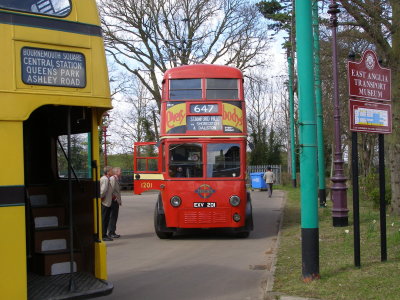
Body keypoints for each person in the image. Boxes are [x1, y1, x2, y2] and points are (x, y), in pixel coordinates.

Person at [100, 166, 113, 241]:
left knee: (106, 218)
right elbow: (103, 190)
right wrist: (101, 198)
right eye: (111, 170)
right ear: (108, 172)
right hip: (105, 202)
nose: (112, 171)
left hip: (107, 201)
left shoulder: (106, 178)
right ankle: (103, 235)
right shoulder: (105, 179)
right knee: (104, 219)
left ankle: (104, 234)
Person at [109, 167, 122, 238]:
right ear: (116, 172)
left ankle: (113, 231)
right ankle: (111, 232)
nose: (121, 172)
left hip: (115, 201)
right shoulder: (113, 179)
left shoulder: (116, 179)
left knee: (114, 216)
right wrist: (114, 197)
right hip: (113, 201)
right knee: (113, 217)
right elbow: (111, 189)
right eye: (120, 171)